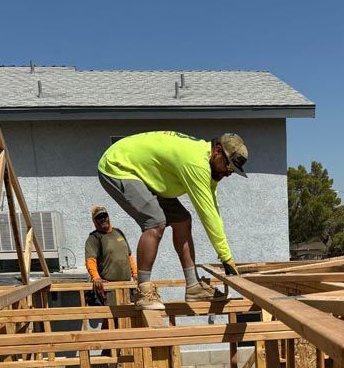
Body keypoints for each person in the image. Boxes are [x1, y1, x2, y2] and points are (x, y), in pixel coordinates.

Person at [96, 130, 247, 311]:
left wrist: (226, 256)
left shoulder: (208, 163)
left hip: (143, 173)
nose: (228, 173)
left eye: (232, 171)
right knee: (155, 221)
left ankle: (193, 286)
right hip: (117, 165)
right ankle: (143, 291)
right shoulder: (196, 163)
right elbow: (208, 216)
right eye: (228, 166)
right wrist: (226, 258)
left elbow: (214, 209)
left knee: (182, 219)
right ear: (217, 152)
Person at [84, 205, 137, 303]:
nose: (103, 219)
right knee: (113, 318)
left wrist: (136, 274)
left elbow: (129, 256)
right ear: (95, 221)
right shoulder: (94, 238)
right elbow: (90, 261)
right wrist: (96, 277)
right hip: (109, 288)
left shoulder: (118, 232)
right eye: (99, 217)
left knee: (128, 316)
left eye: (105, 216)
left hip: (127, 286)